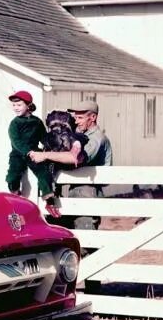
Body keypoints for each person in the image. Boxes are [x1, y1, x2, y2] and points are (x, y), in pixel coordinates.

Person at [29, 99, 113, 230]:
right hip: (73, 187)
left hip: (88, 189)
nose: (76, 121)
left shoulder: (97, 138)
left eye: (80, 117)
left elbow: (74, 158)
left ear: (93, 117)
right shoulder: (79, 134)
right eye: (75, 117)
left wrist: (44, 155)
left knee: (84, 229)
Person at [4, 90, 59, 217]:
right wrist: (27, 152)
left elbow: (43, 137)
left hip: (34, 152)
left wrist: (48, 147)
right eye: (14, 105)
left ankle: (49, 201)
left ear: (28, 105)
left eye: (19, 105)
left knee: (43, 173)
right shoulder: (15, 123)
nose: (16, 108)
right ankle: (15, 197)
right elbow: (16, 141)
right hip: (18, 153)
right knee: (13, 175)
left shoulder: (37, 122)